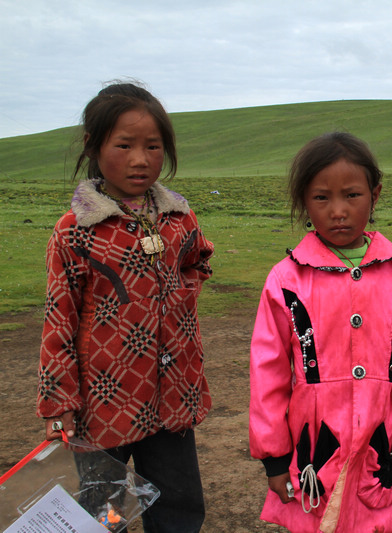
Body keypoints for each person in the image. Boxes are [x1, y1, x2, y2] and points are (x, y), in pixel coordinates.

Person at [37, 81, 214, 532]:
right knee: (103, 513)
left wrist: (177, 300)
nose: (141, 159)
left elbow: (198, 258)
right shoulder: (75, 232)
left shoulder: (179, 217)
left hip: (173, 395)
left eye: (153, 146)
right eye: (124, 145)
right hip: (102, 403)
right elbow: (59, 316)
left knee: (179, 506)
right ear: (94, 147)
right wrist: (59, 400)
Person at [249, 132, 392, 532]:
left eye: (351, 195)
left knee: (385, 519)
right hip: (315, 444)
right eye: (321, 198)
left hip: (386, 443)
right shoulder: (286, 279)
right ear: (303, 202)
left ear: (375, 194)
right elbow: (269, 370)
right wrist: (274, 458)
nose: (338, 211)